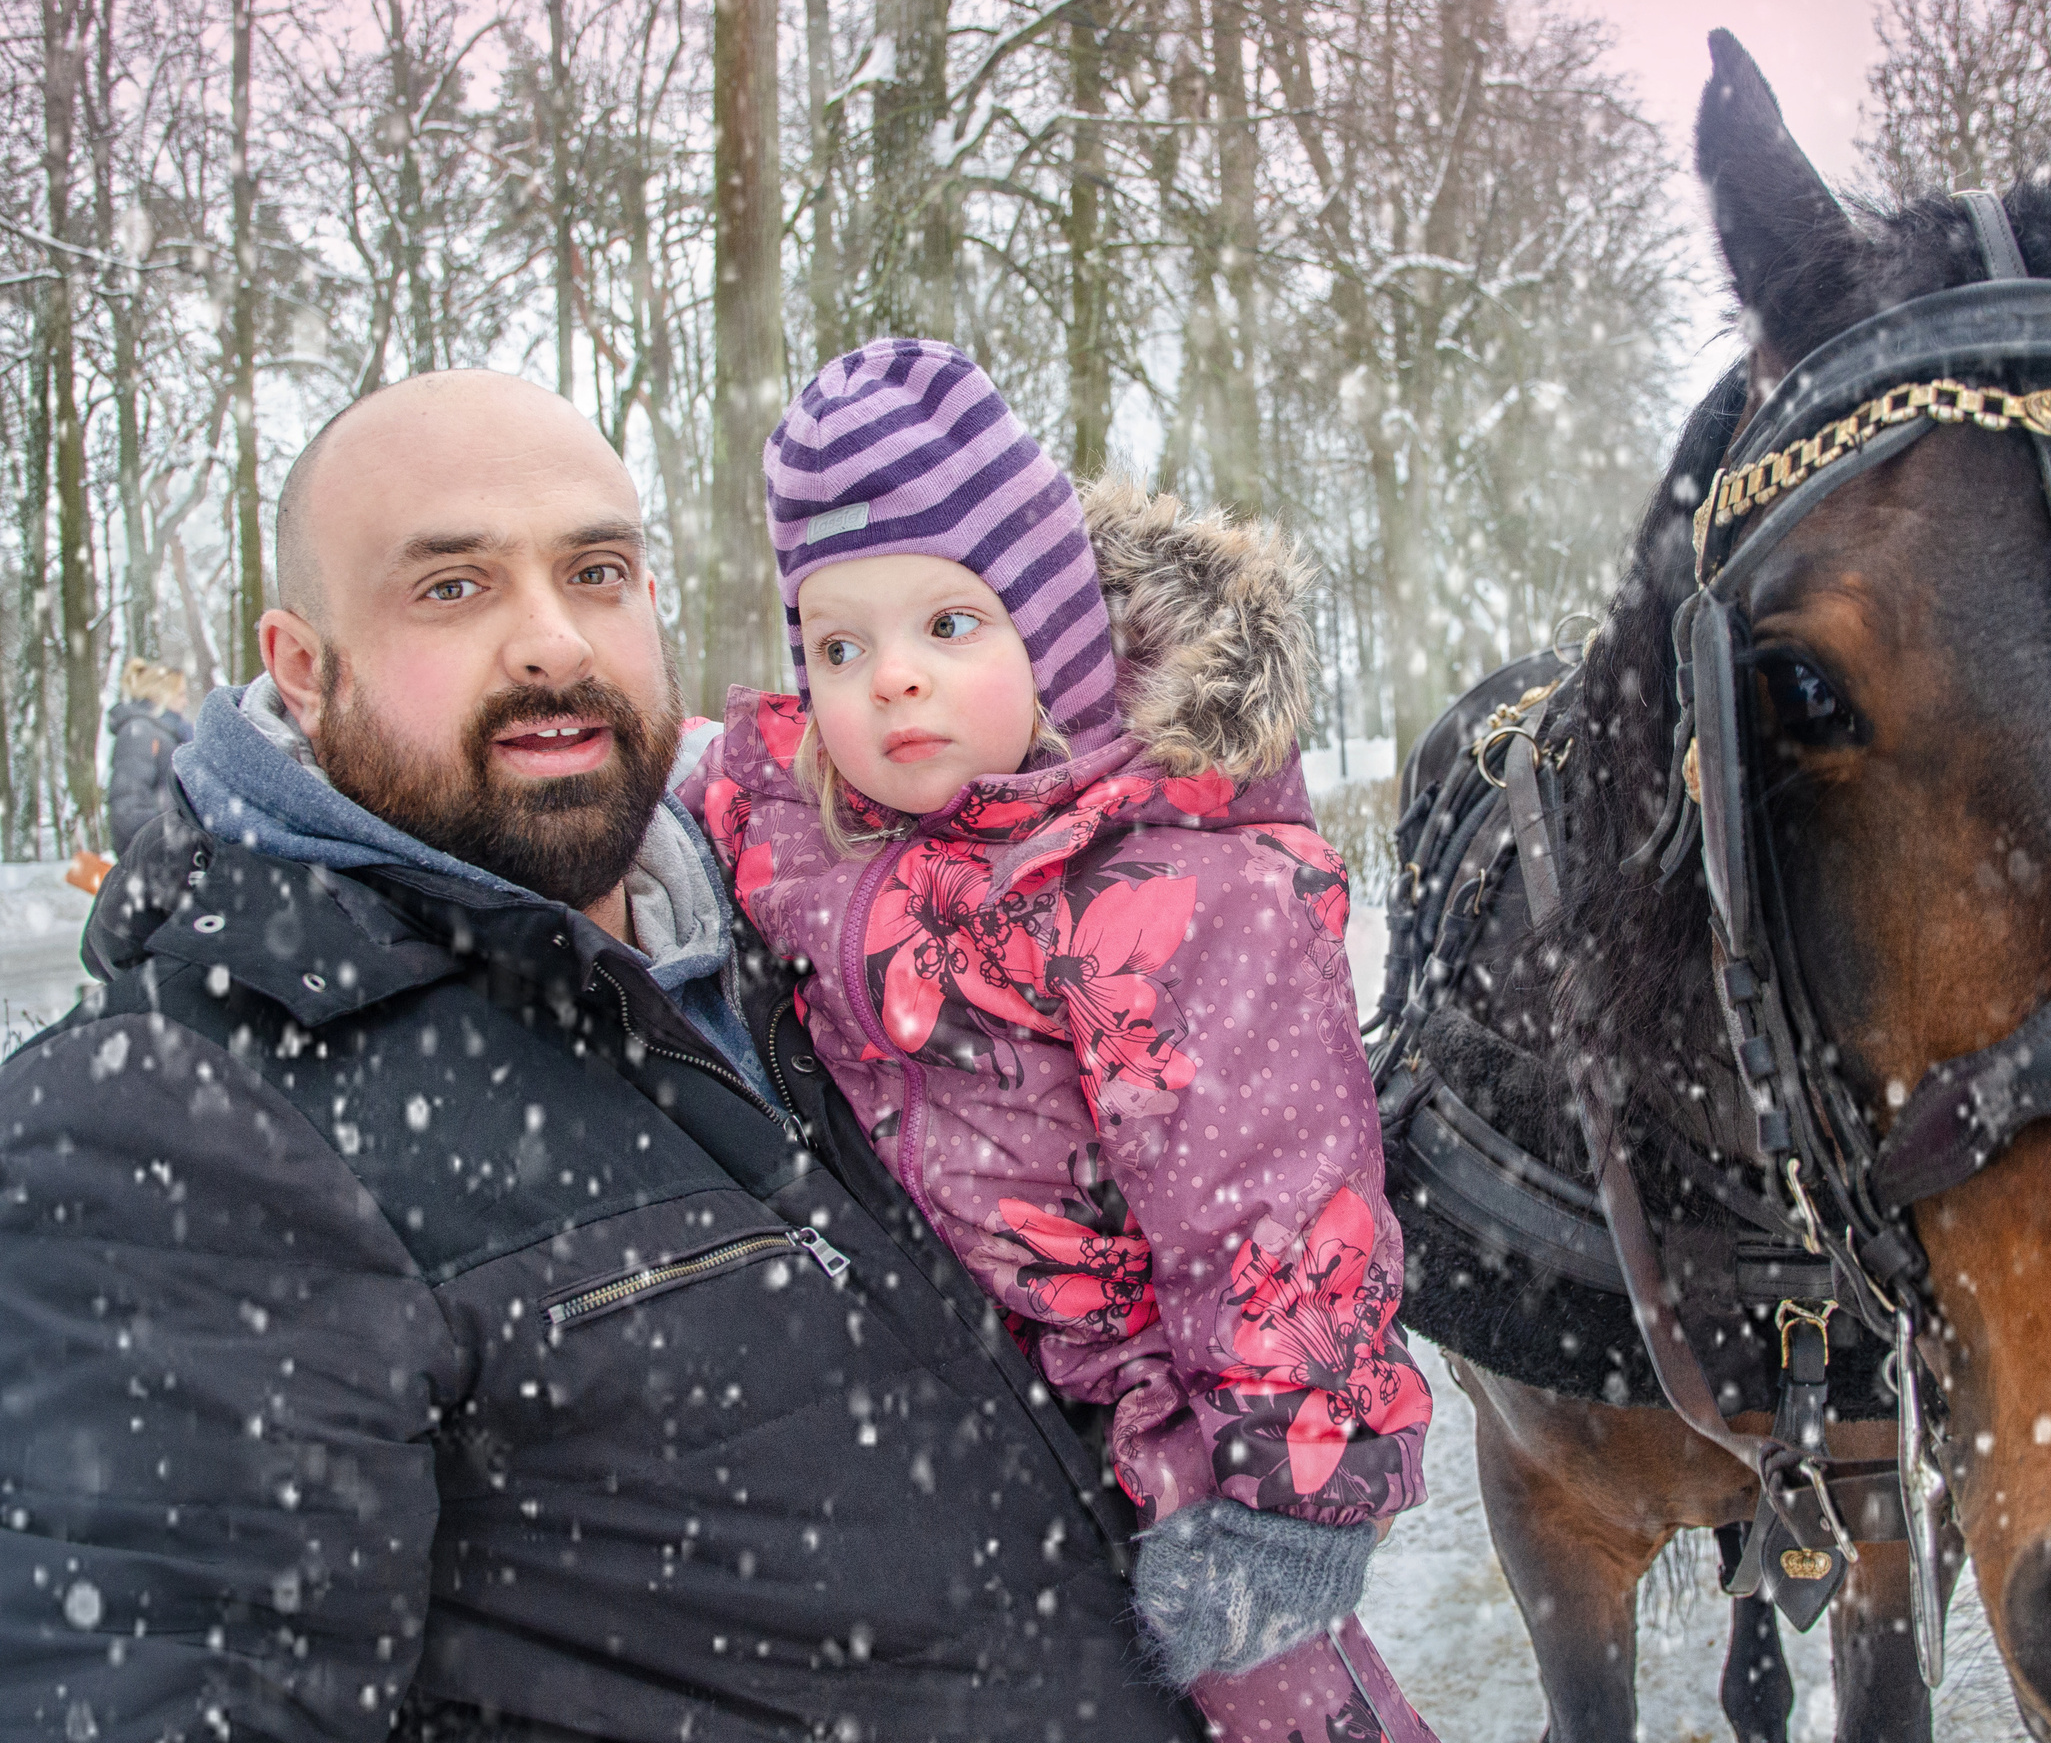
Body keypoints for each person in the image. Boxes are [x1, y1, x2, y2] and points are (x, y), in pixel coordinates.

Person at [0, 369, 1211, 1742]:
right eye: (451, 588)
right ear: (300, 663)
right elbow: (159, 1670)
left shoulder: (819, 944)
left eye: (595, 571)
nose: (553, 646)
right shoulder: (179, 1119)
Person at [684, 340, 1436, 1741]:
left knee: (1264, 1700)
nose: (890, 682)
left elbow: (1280, 1209)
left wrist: (1286, 1500)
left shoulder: (1179, 891)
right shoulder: (814, 826)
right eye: (841, 646)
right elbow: (714, 787)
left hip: (1165, 1439)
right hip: (948, 1399)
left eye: (948, 628)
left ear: (1053, 631)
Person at [106, 657, 194, 856]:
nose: (186, 701)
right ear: (160, 695)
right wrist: (167, 841)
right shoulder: (139, 732)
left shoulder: (169, 734)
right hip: (155, 858)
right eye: (180, 695)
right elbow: (128, 804)